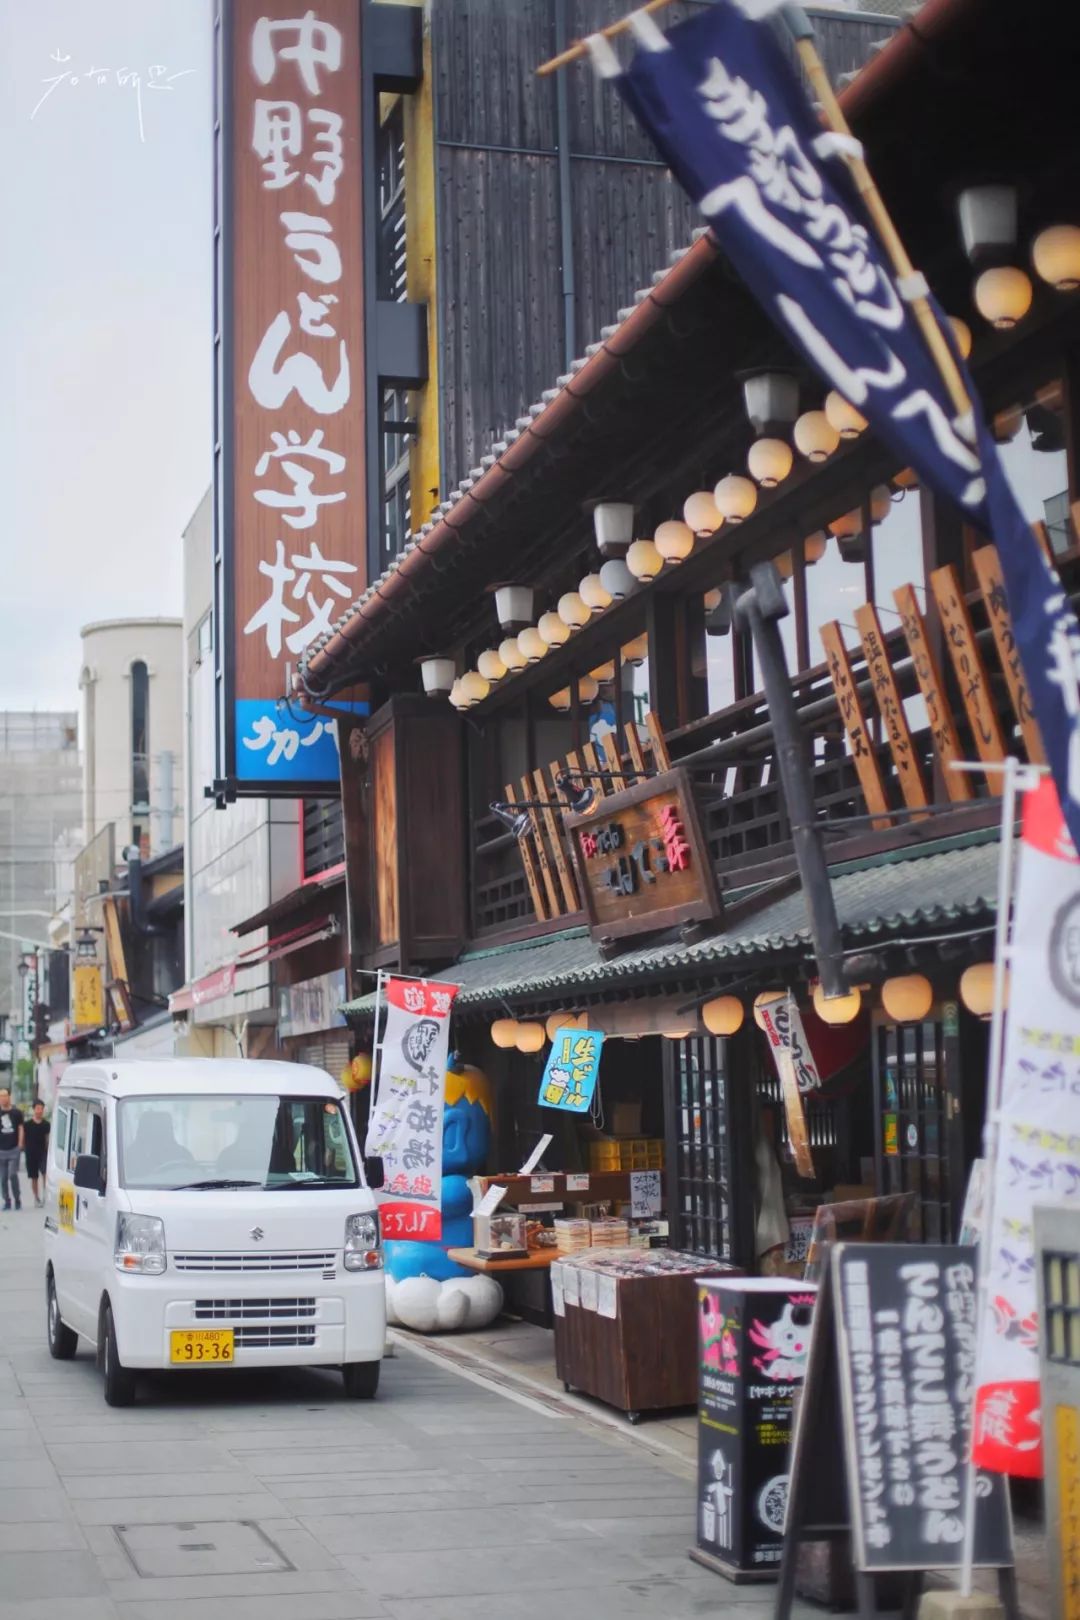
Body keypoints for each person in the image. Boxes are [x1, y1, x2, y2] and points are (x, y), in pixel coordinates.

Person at [23, 1099, 50, 1208]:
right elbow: (24, 1138)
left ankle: (45, 1195)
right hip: (31, 1153)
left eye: (41, 1109)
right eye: (37, 1108)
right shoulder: (27, 1124)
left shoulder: (46, 1124)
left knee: (45, 1175)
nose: (39, 1111)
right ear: (34, 1109)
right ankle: (36, 1197)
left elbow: (47, 1139)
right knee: (34, 1177)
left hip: (43, 1153)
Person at [0, 1088, 24, 1211]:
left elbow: (20, 1128)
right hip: (1, 1150)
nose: (3, 1098)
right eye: (1, 1096)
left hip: (14, 1149)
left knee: (12, 1175)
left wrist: (20, 1144)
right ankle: (7, 1201)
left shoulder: (16, 1113)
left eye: (5, 1096)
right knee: (3, 1178)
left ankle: (17, 1198)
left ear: (9, 1097)